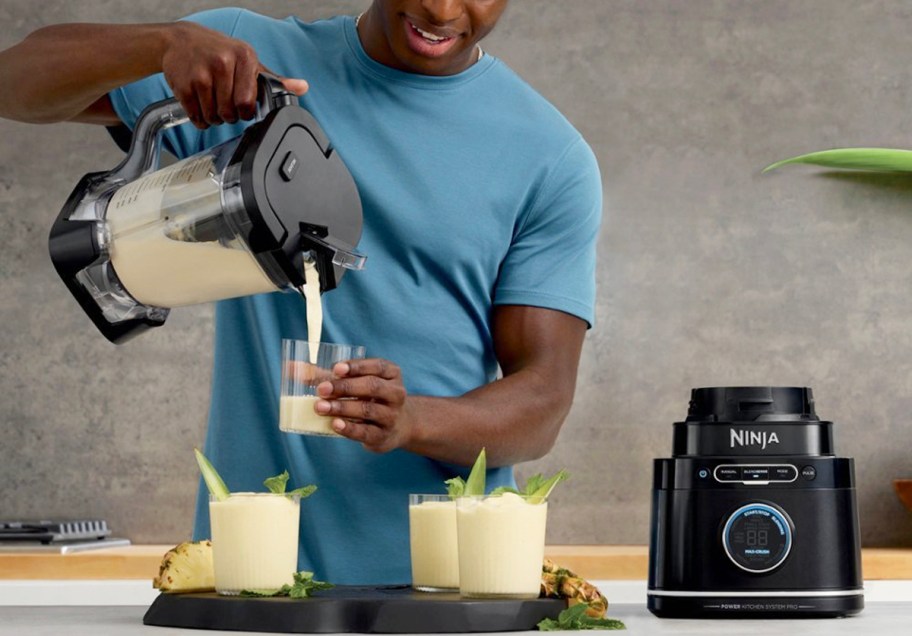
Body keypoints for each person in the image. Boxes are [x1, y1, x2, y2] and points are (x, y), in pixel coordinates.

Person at [0, 1, 602, 585]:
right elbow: (14, 82)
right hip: (249, 579)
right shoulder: (247, 67)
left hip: (450, 587)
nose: (442, 10)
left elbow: (544, 398)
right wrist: (164, 42)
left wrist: (411, 419)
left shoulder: (548, 157)